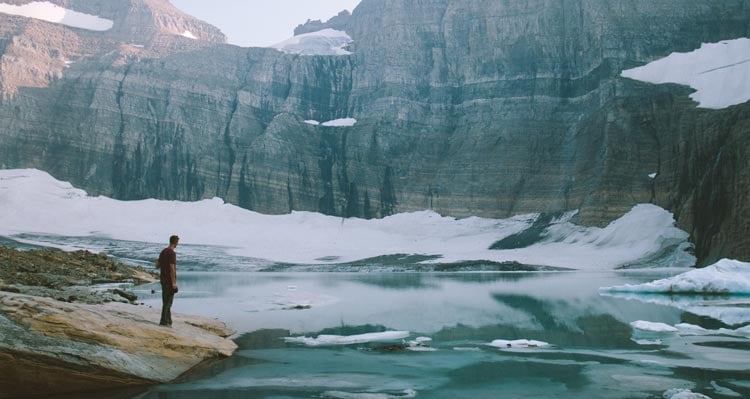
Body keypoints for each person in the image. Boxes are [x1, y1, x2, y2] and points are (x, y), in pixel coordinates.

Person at [157, 235, 179, 327]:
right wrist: (174, 283)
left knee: (166, 301)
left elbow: (157, 265)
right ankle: (164, 321)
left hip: (163, 279)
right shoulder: (172, 253)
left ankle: (168, 321)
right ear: (175, 242)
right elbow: (172, 268)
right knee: (168, 302)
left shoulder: (163, 251)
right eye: (177, 242)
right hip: (169, 281)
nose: (178, 244)